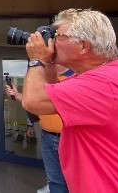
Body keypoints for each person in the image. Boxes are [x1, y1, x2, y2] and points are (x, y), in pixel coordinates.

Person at [21, 8, 118, 192]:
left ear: (83, 46)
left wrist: (36, 60)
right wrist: (50, 64)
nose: (51, 41)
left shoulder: (106, 83)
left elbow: (33, 101)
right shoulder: (104, 76)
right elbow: (53, 96)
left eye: (57, 35)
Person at [6, 65, 75, 193]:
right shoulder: (44, 79)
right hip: (48, 136)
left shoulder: (77, 76)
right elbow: (37, 102)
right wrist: (17, 95)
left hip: (71, 137)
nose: (48, 61)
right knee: (55, 181)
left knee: (75, 180)